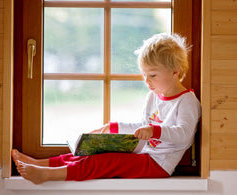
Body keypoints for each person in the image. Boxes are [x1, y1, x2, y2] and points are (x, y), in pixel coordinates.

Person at [12, 33, 201, 184]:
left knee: (106, 162)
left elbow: (184, 134)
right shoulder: (153, 95)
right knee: (93, 152)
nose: (147, 81)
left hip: (159, 164)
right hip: (143, 152)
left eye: (152, 75)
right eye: (144, 75)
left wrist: (153, 131)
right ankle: (41, 164)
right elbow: (143, 125)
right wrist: (114, 127)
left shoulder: (187, 101)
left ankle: (47, 175)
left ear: (175, 72)